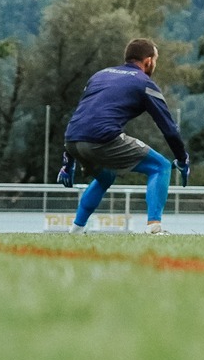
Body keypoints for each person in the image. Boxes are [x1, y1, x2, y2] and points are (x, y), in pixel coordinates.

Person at [57, 38, 190, 235]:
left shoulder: (99, 75)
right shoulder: (144, 82)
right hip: (102, 139)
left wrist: (67, 161)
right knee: (160, 166)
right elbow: (169, 128)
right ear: (148, 61)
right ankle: (154, 228)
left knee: (106, 176)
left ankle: (76, 230)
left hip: (73, 140)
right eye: (155, 59)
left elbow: (82, 115)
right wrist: (182, 158)